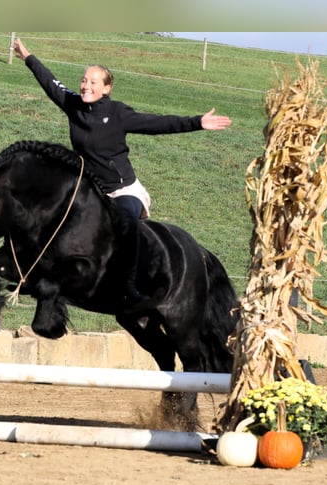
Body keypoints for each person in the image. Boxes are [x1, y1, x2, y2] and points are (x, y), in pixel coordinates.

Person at [12, 38, 232, 313]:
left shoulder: (118, 114)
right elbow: (50, 82)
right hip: (93, 191)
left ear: (106, 88)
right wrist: (28, 57)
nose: (86, 86)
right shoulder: (73, 105)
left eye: (93, 83)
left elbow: (159, 123)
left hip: (124, 190)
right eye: (83, 81)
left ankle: (129, 286)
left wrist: (197, 122)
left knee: (125, 223)